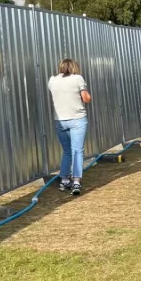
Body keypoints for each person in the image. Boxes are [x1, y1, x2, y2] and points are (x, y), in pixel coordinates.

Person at [47, 58, 92, 195]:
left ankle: (64, 179)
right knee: (77, 151)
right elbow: (86, 98)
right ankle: (76, 181)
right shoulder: (78, 78)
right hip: (77, 119)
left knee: (67, 151)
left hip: (60, 120)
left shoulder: (52, 80)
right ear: (74, 67)